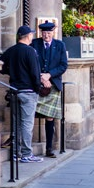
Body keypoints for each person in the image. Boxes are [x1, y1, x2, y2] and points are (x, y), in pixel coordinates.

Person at [0, 26, 43, 163]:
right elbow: (35, 73)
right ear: (28, 36)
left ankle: (16, 153)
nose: (32, 37)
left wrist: (10, 72)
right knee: (27, 124)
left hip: (14, 91)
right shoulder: (30, 51)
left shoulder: (11, 50)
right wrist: (37, 89)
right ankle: (26, 154)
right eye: (31, 35)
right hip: (28, 92)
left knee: (16, 123)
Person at [31, 20, 68, 158]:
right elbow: (31, 62)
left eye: (49, 32)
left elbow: (63, 65)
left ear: (53, 32)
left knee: (50, 118)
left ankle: (49, 148)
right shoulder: (34, 44)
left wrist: (49, 75)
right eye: (44, 32)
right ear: (41, 32)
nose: (46, 35)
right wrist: (41, 77)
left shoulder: (60, 45)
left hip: (52, 85)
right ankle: (26, 148)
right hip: (36, 84)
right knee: (29, 115)